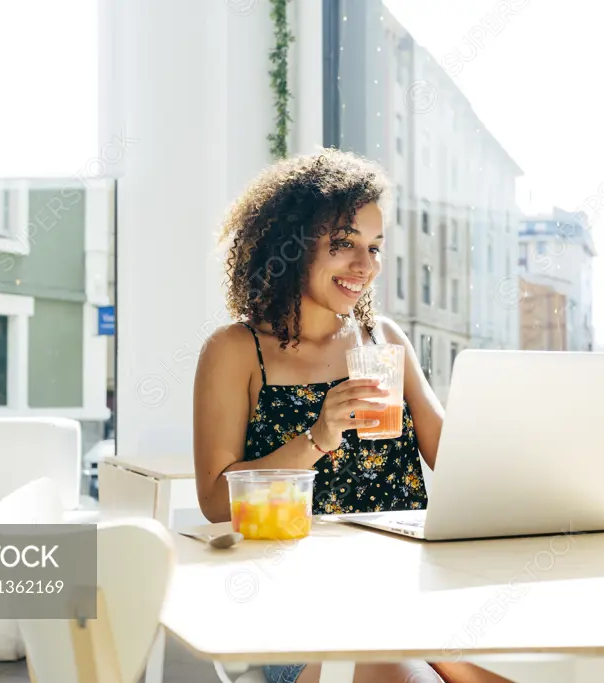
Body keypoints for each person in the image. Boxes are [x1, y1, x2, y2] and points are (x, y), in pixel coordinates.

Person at [193, 149, 512, 683]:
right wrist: (317, 437)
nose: (365, 266)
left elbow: (452, 458)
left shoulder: (384, 340)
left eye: (375, 247)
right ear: (290, 244)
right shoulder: (235, 349)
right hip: (297, 598)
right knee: (410, 671)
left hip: (406, 583)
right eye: (344, 244)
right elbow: (213, 500)